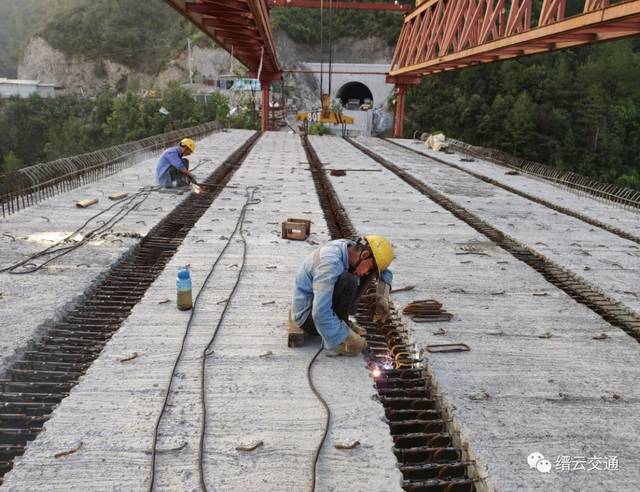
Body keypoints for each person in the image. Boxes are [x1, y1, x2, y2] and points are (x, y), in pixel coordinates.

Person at [290, 235, 394, 356]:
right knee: (349, 280)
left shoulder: (350, 248)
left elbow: (383, 269)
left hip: (318, 303)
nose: (367, 273)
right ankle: (336, 339)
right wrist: (347, 339)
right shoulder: (329, 265)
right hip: (308, 316)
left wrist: (382, 295)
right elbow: (319, 313)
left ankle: (340, 323)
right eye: (370, 268)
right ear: (364, 255)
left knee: (359, 274)